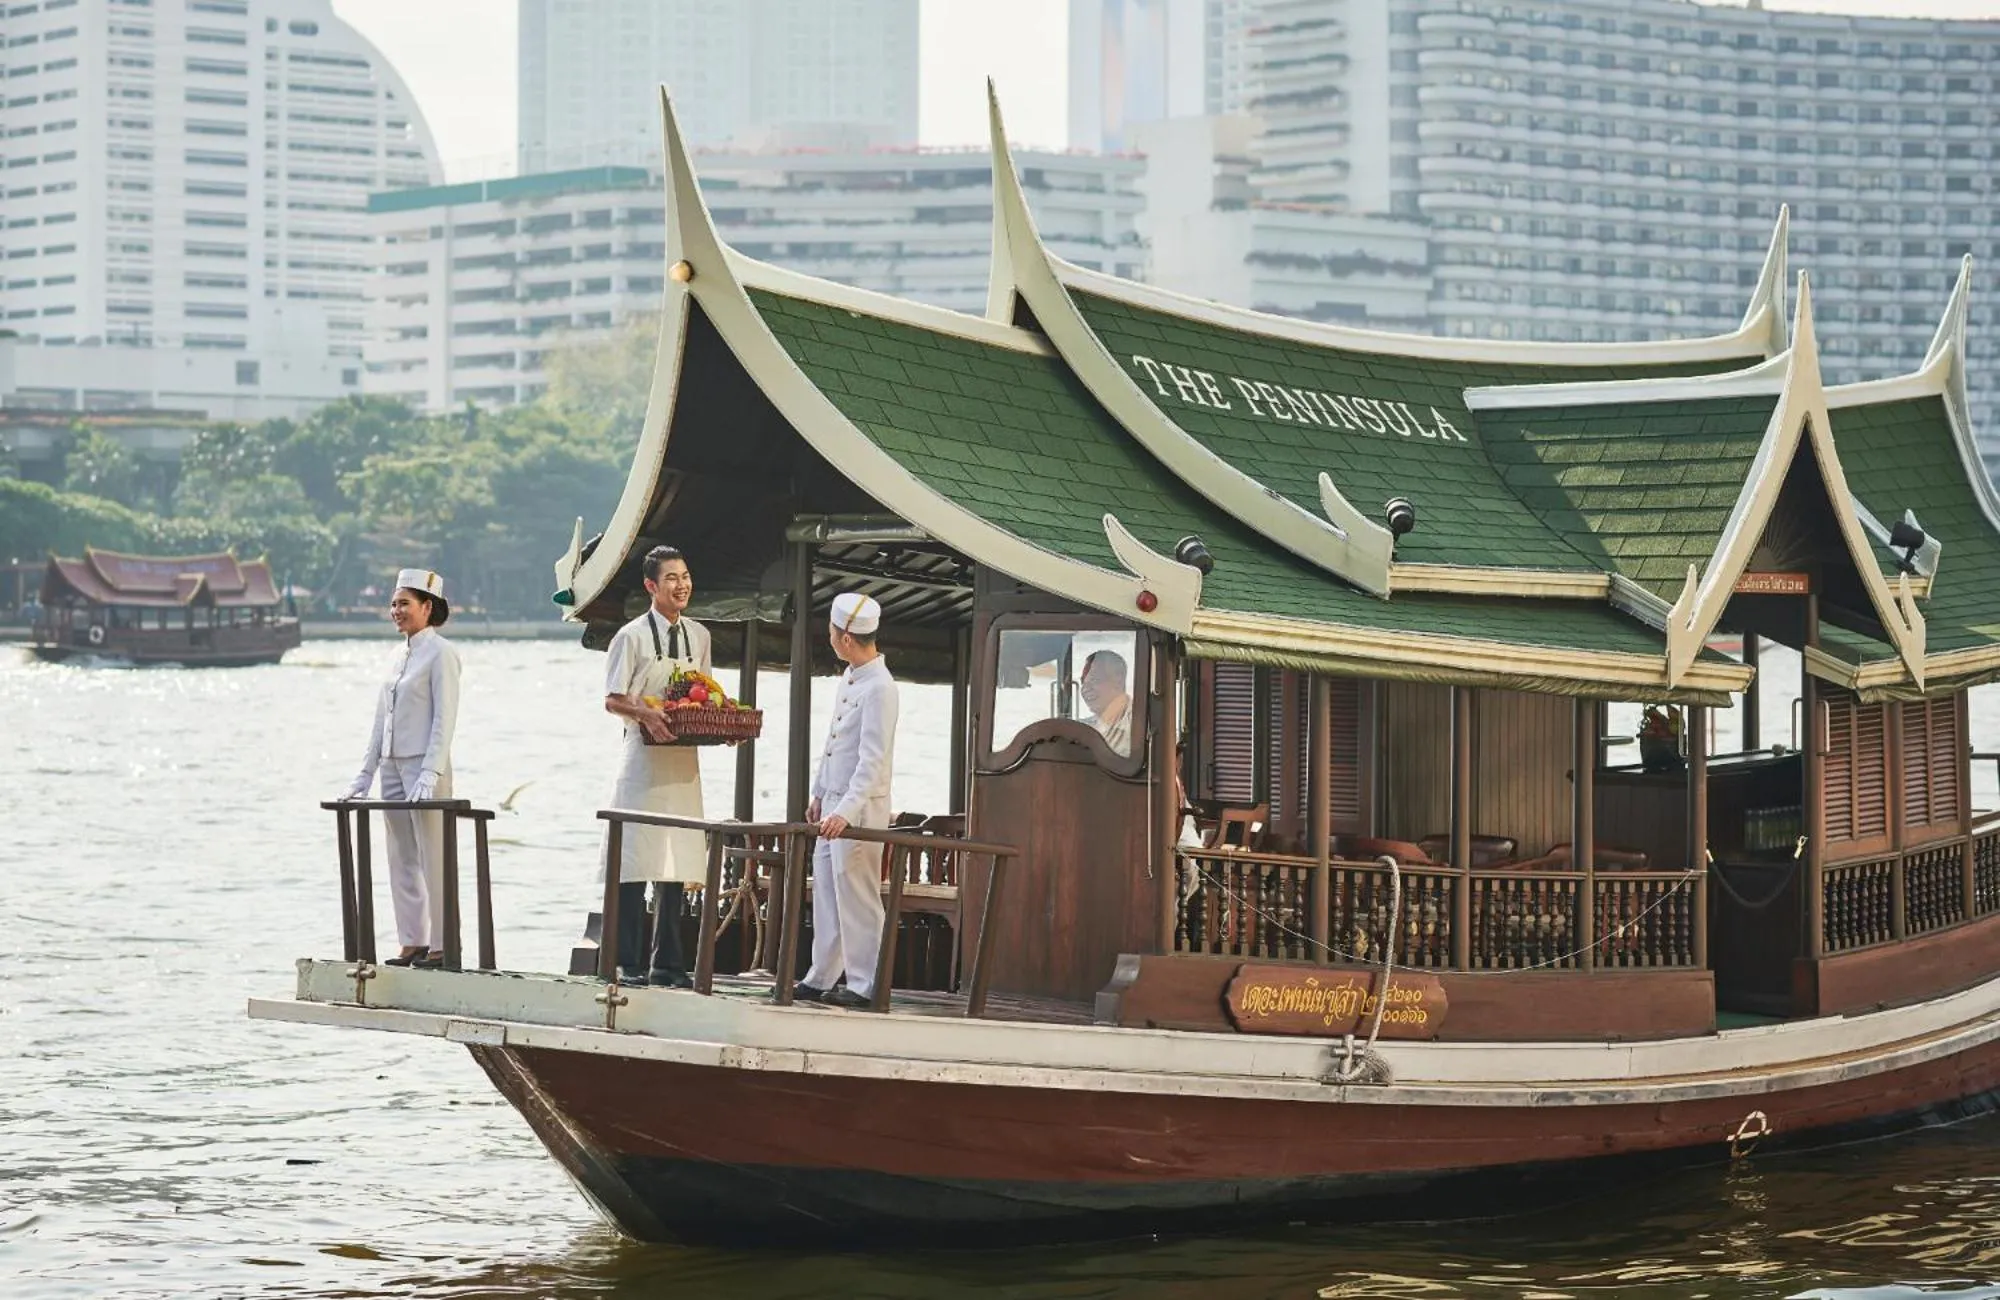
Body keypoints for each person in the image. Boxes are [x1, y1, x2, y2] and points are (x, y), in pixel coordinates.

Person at [598, 545, 712, 987]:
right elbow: (612, 699)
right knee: (633, 861)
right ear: (651, 586)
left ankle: (668, 964)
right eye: (671, 578)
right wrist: (647, 715)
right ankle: (629, 963)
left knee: (677, 863)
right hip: (642, 760)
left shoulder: (699, 636)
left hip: (683, 762)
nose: (681, 584)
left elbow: (704, 690)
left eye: (685, 576)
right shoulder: (630, 637)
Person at [340, 569, 462, 968]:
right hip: (393, 764)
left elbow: (445, 718)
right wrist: (365, 773)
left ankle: (444, 946)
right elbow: (381, 720)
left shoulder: (441, 653)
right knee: (400, 856)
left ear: (428, 607)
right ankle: (413, 941)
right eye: (393, 604)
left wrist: (431, 772)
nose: (397, 611)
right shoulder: (396, 656)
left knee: (433, 856)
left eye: (405, 604)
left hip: (426, 765)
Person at [794, 593, 900, 1011]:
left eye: (834, 633)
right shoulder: (852, 678)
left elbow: (872, 761)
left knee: (857, 894)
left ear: (846, 638)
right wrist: (820, 792)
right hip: (835, 802)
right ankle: (821, 975)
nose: (831, 638)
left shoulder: (880, 688)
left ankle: (865, 982)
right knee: (827, 890)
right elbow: (834, 742)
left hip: (859, 808)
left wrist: (845, 812)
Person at [1078, 648, 1132, 756]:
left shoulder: (1141, 725)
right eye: (1083, 682)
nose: (1085, 688)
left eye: (1094, 680)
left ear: (1118, 681)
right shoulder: (1085, 727)